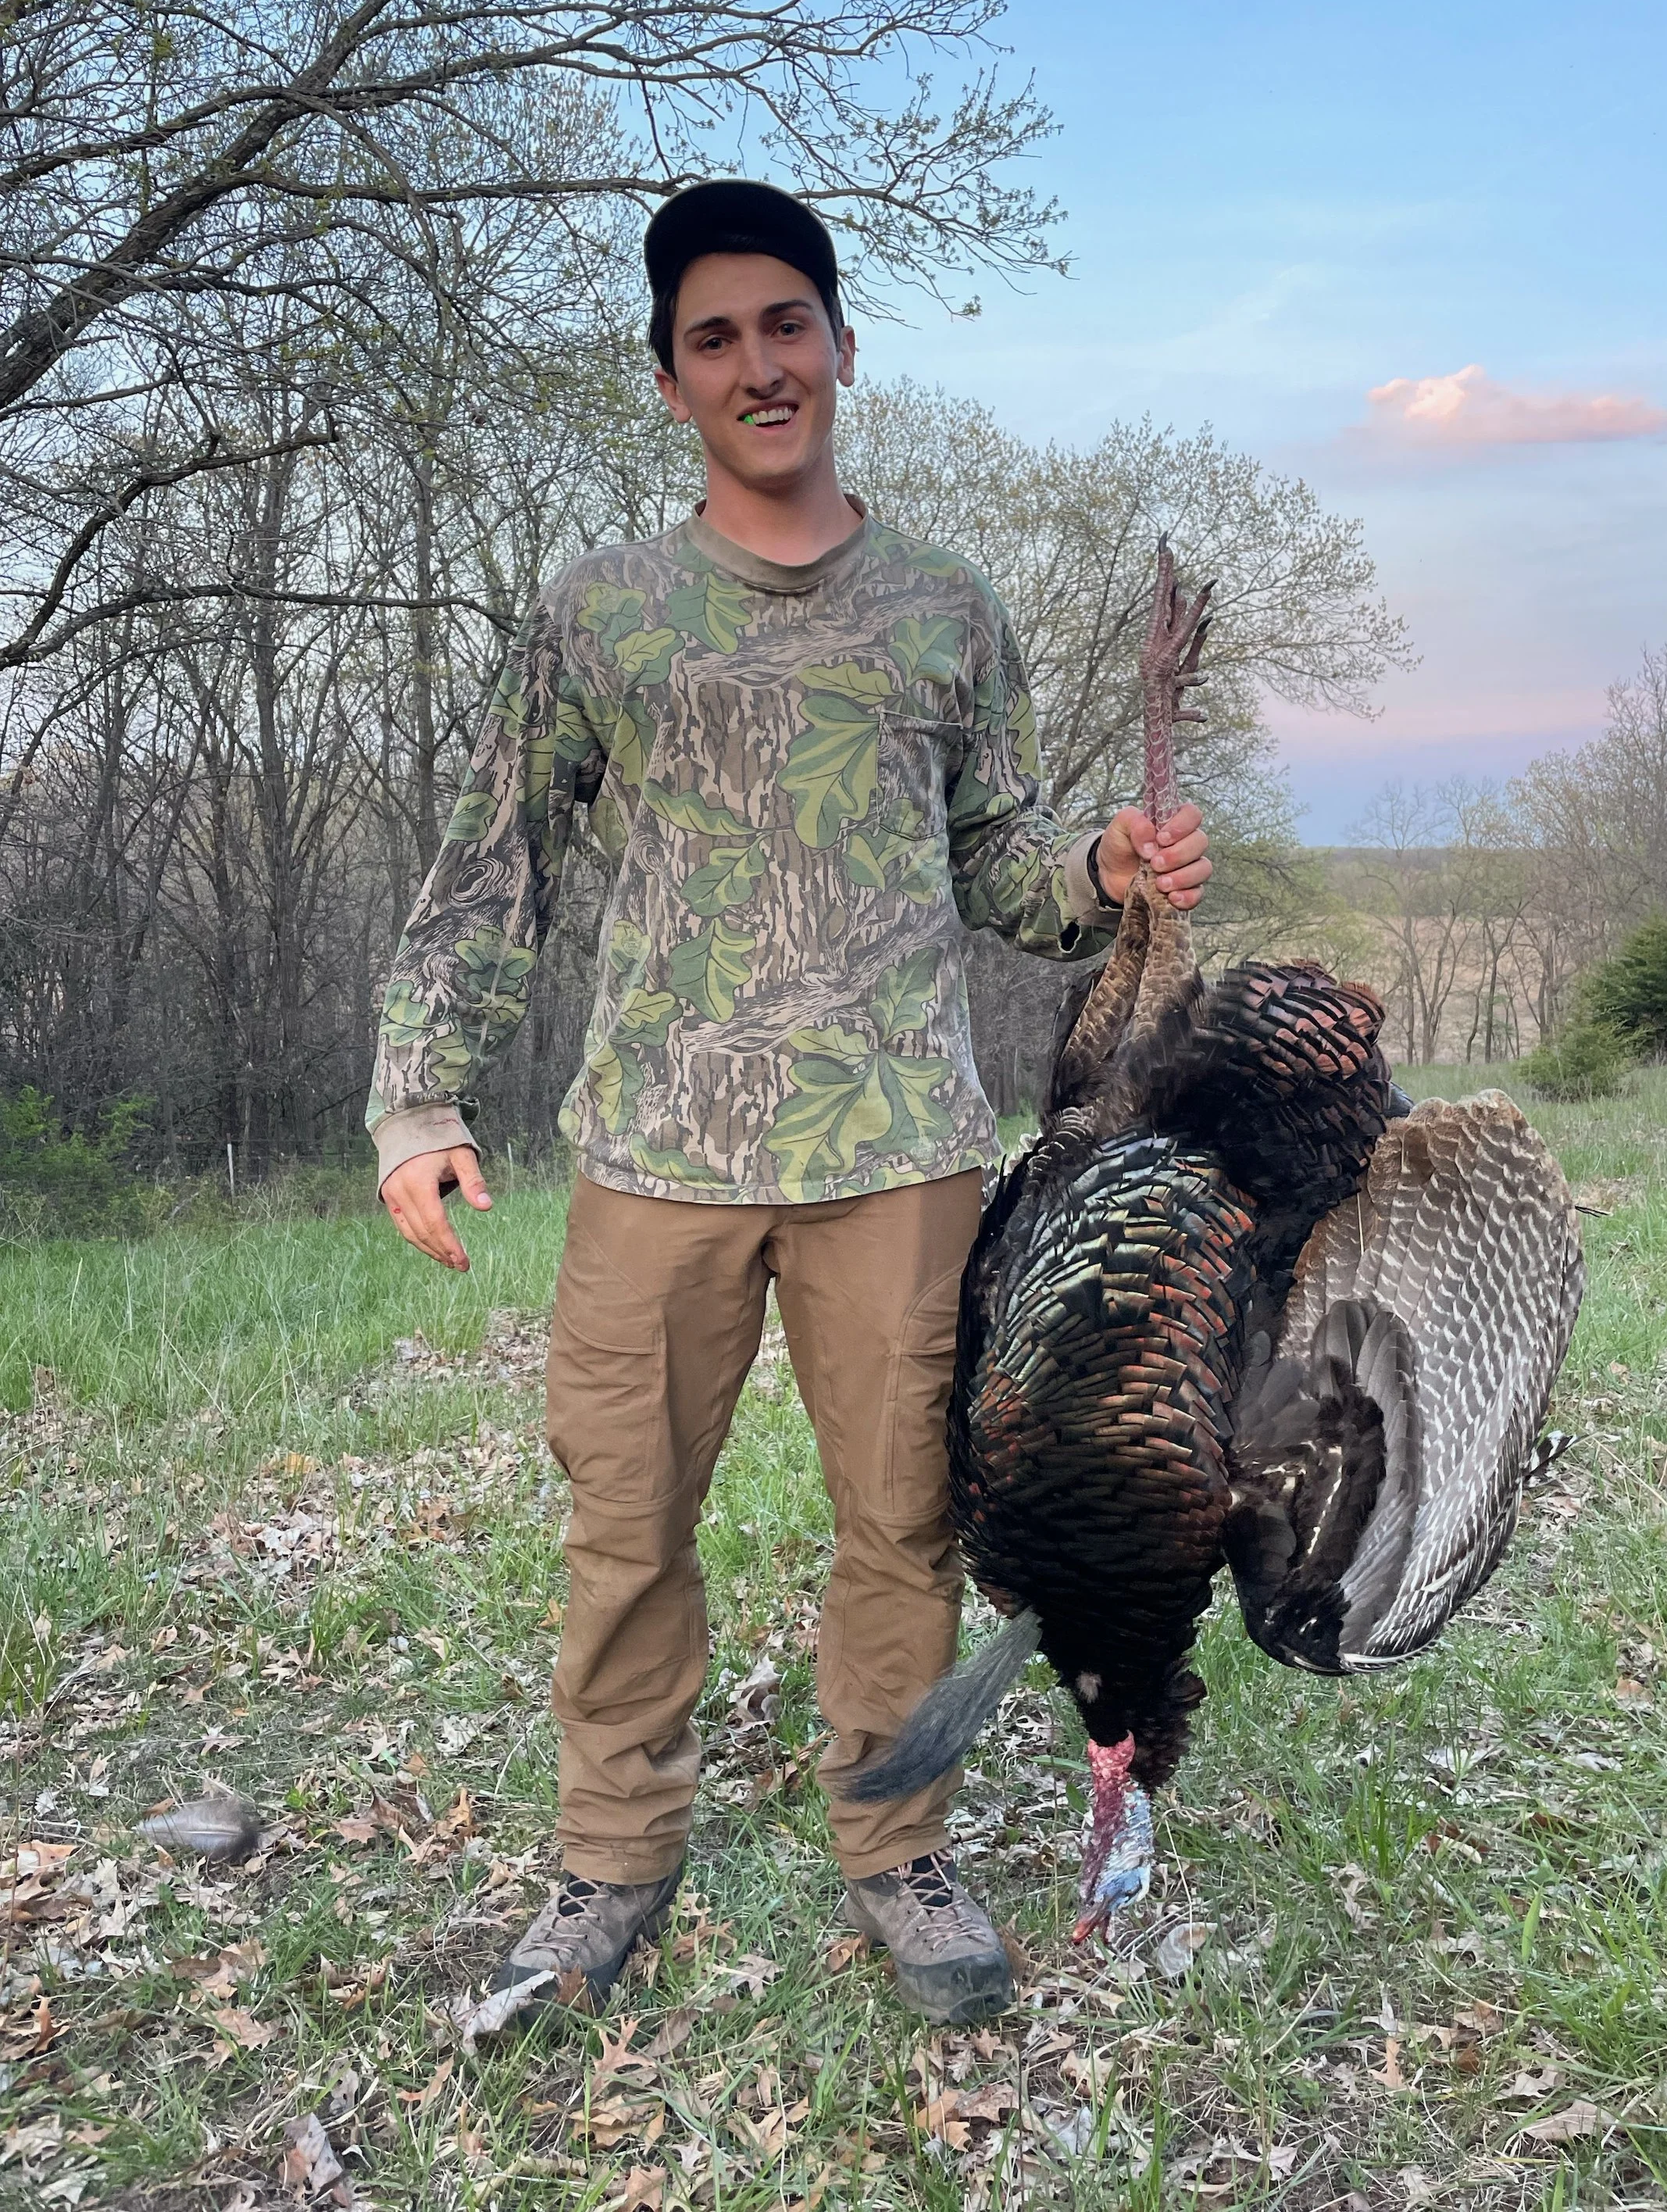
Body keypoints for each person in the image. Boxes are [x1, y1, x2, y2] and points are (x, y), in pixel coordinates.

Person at [368, 180, 1213, 2026]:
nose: (759, 364)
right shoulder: (601, 612)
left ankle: (894, 1843)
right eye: (715, 338)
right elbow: (492, 862)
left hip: (900, 1155)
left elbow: (1003, 873)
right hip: (656, 1150)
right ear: (670, 380)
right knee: (625, 1518)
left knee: (906, 1522)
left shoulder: (947, 610)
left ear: (843, 344)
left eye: (787, 325)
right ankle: (610, 1862)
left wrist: (1110, 866)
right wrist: (415, 1096)